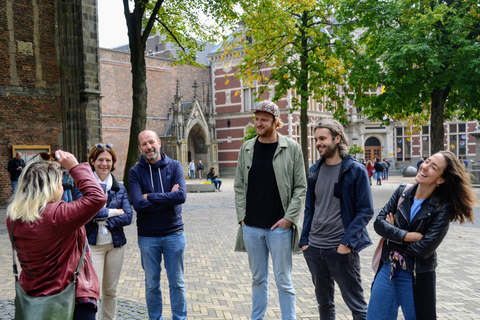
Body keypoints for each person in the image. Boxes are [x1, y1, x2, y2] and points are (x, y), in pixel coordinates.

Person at [367, 151, 477, 319]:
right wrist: (406, 236)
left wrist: (392, 234)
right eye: (427, 161)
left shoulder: (442, 208)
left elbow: (423, 249)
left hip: (416, 274)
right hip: (388, 268)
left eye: (433, 167)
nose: (424, 167)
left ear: (440, 179)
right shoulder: (402, 192)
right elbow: (379, 223)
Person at [7, 150, 107, 319]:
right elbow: (97, 198)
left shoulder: (13, 218)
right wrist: (75, 167)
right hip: (70, 299)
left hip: (34, 299)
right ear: (52, 187)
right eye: (60, 183)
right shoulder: (58, 215)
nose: (62, 187)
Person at [234, 100, 307, 320]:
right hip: (251, 227)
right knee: (258, 280)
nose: (258, 123)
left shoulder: (291, 148)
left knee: (283, 280)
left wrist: (288, 219)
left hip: (280, 228)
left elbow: (300, 187)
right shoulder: (246, 148)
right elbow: (238, 185)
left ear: (276, 122)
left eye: (264, 119)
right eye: (256, 119)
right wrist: (242, 219)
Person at [300, 119, 373, 320]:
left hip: (340, 249)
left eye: (323, 138)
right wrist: (305, 242)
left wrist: (346, 244)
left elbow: (366, 211)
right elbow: (309, 208)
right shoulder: (314, 170)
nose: (318, 143)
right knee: (324, 304)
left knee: (357, 306)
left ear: (337, 138)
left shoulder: (355, 170)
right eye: (316, 139)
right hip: (315, 249)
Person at [129, 130, 187, 320]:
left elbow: (181, 196)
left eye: (151, 142)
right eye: (144, 144)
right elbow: (138, 204)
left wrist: (150, 197)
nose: (149, 147)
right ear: (139, 148)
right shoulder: (135, 172)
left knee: (177, 283)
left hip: (174, 234)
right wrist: (168, 200)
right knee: (152, 284)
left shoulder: (175, 166)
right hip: (148, 236)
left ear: (159, 143)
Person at [76, 143, 133, 320]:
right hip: (92, 246)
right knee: (94, 290)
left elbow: (129, 217)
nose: (104, 164)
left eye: (108, 160)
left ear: (113, 162)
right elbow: (85, 212)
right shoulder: (83, 185)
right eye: (100, 159)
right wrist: (114, 212)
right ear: (92, 161)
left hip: (115, 245)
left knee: (111, 290)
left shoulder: (119, 188)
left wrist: (104, 221)